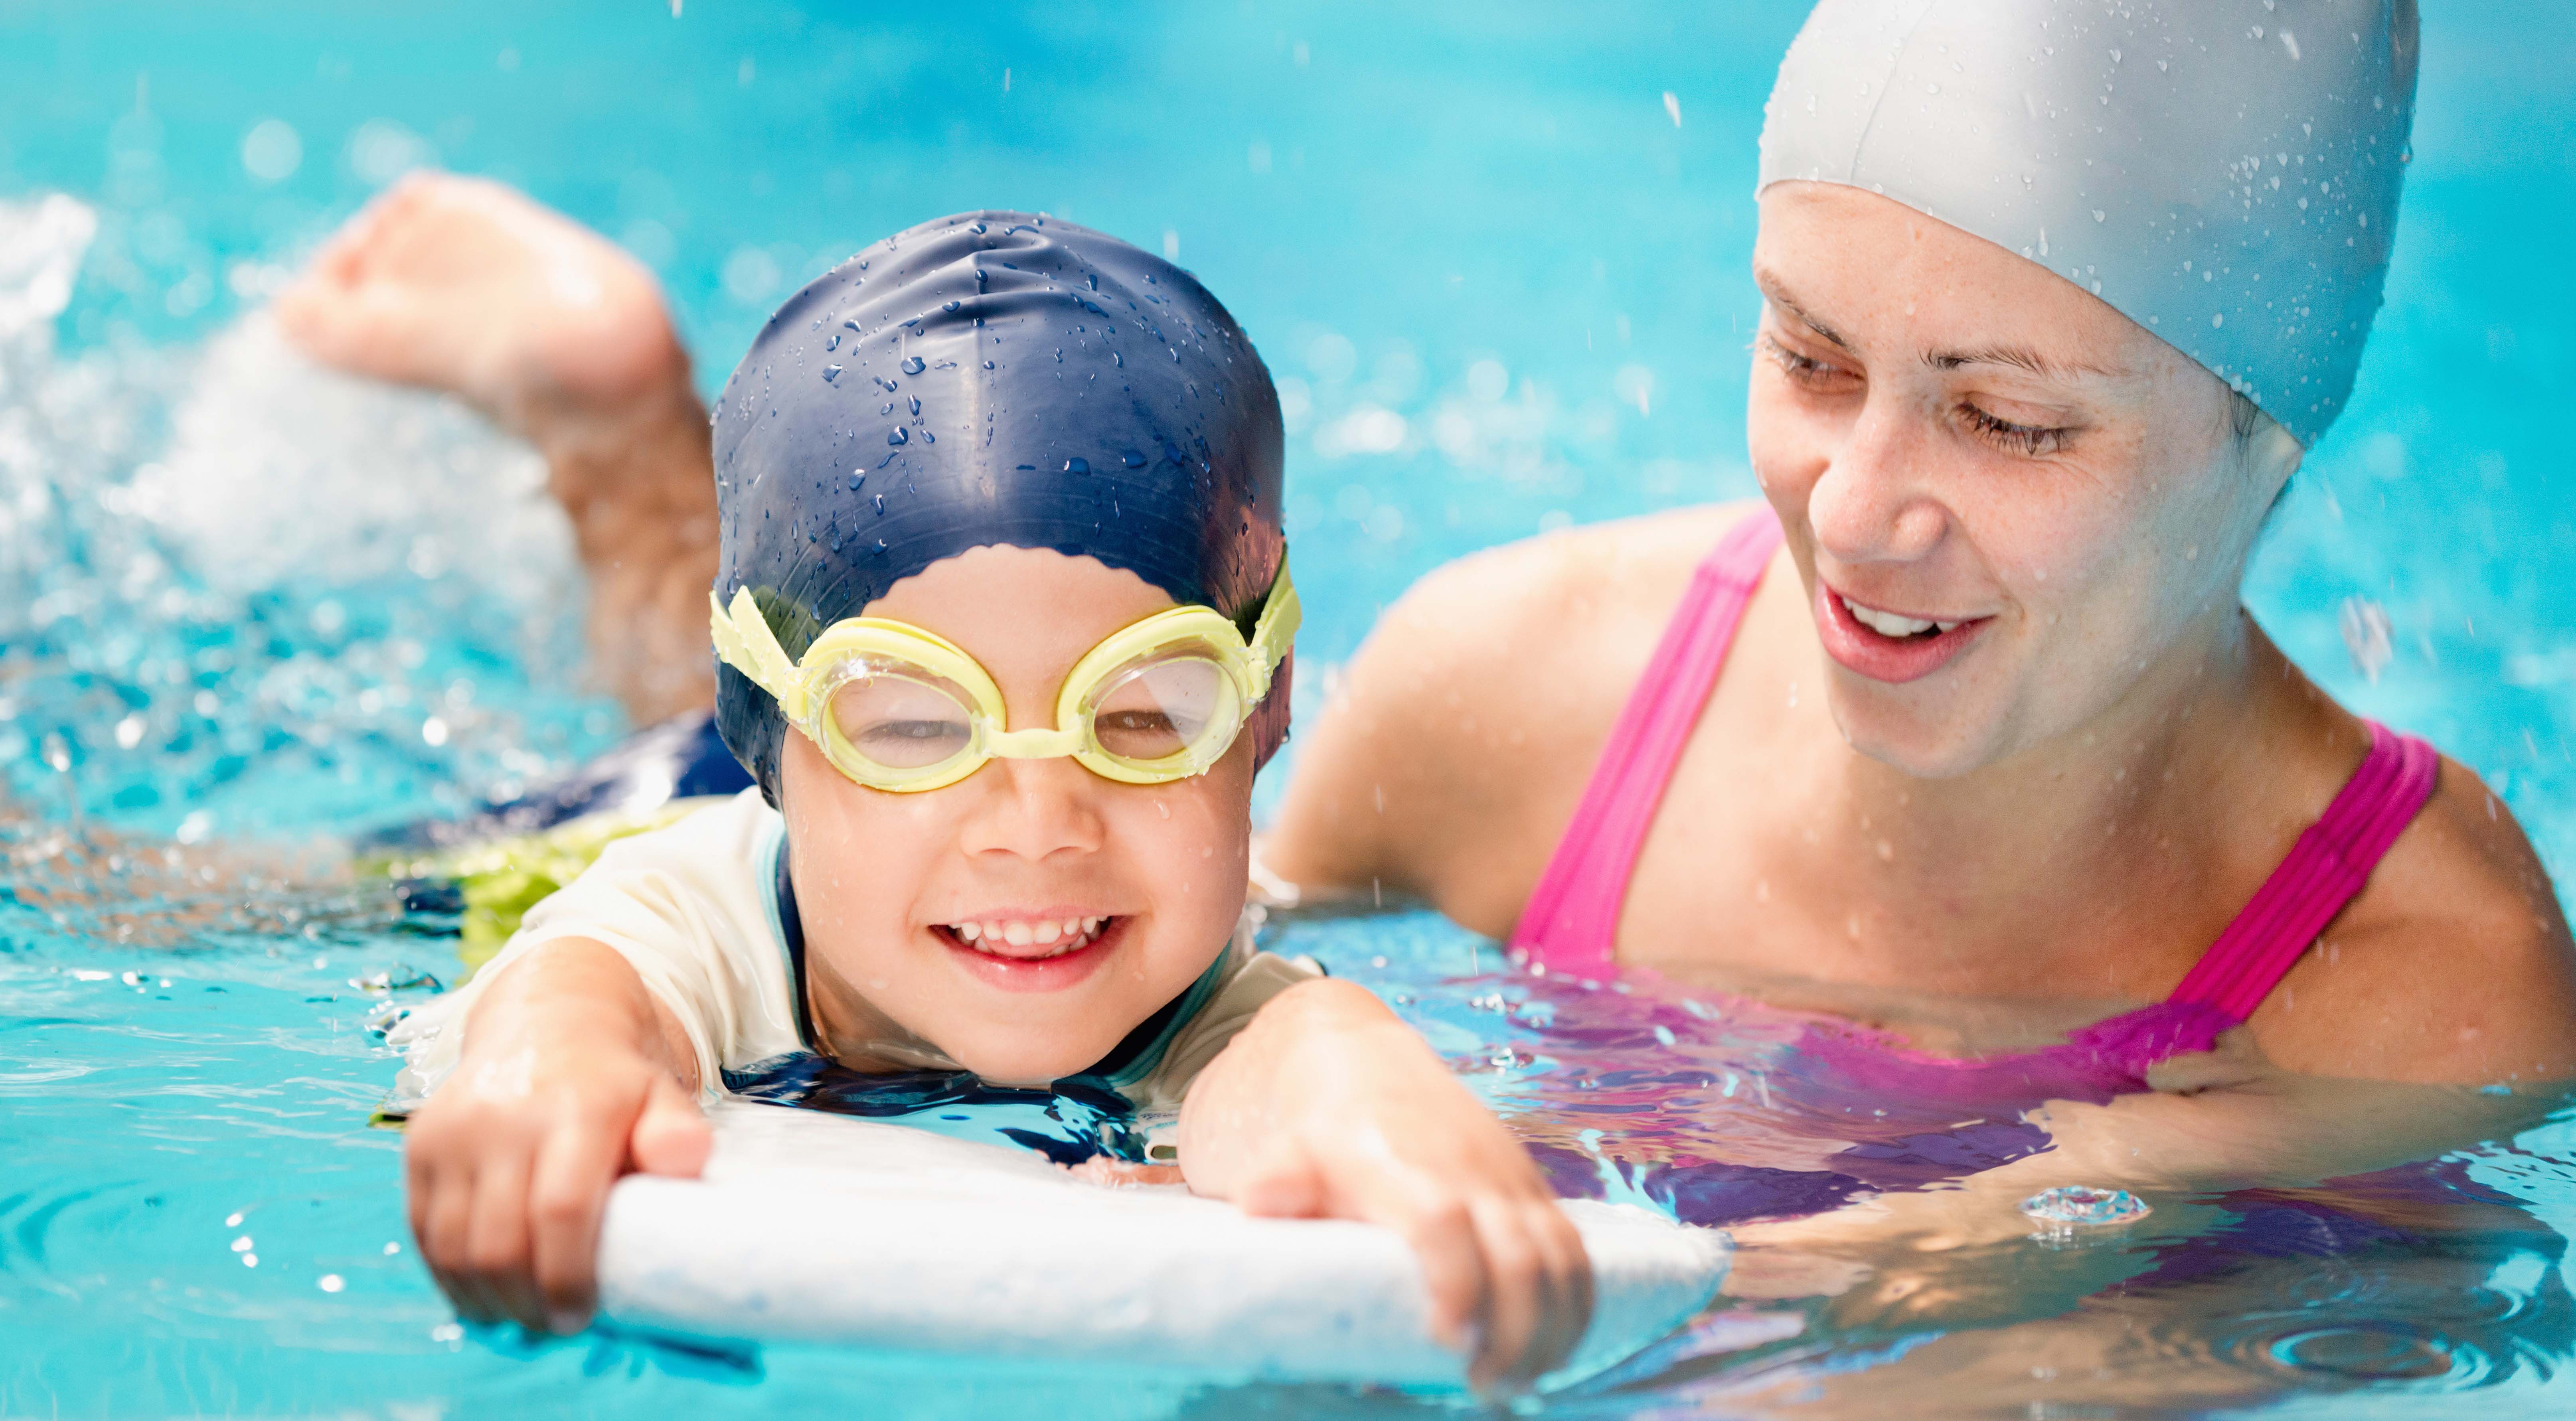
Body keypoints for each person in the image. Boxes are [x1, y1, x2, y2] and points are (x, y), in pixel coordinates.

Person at [1258, 0, 2576, 1252]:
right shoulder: (1499, 698)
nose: (1855, 513)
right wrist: (1299, 1049)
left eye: (2008, 420)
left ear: (2273, 445)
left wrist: (2066, 1219)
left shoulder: (2423, 994)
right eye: (1809, 358)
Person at [373, 211, 1590, 1394]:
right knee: (279, 887)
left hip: (849, 784)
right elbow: (586, 994)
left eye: (1140, 713)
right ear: (778, 730)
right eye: (915, 720)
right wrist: (544, 1072)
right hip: (624, 812)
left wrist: (1375, 1098)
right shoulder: (680, 914)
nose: (1039, 823)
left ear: (1266, 708)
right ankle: (602, 392)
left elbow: (1299, 1056)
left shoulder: (1213, 985)